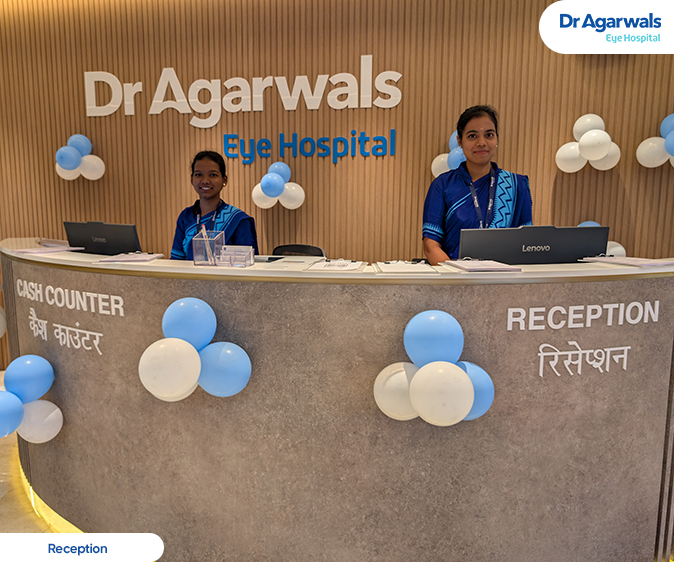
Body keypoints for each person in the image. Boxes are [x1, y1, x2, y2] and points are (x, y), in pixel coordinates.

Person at [422, 105, 532, 264]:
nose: (481, 142)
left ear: (496, 139)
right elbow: (431, 246)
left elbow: (527, 244)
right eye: (472, 136)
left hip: (506, 277)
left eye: (489, 135)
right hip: (453, 275)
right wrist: (457, 275)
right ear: (459, 141)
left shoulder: (516, 185)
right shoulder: (442, 185)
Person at [171, 151, 259, 259]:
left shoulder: (238, 220)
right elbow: (176, 260)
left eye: (213, 175)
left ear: (224, 180)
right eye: (198, 175)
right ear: (191, 179)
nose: (205, 181)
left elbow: (246, 264)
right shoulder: (186, 217)